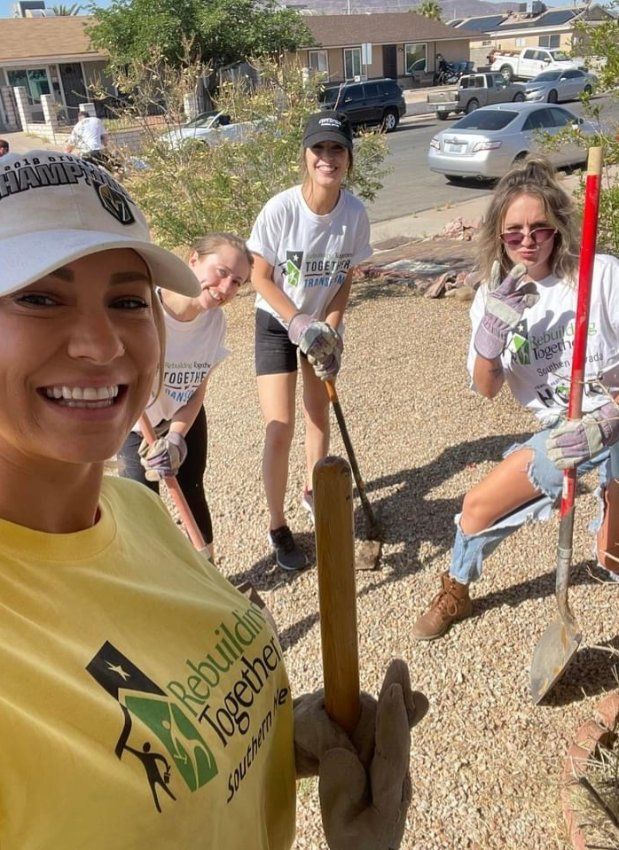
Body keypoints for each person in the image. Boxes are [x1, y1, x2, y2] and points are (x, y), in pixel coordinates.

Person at [0, 148, 419, 849]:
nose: (101, 344)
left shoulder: (138, 513)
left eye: (127, 301)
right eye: (39, 297)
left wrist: (272, 739)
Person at [412, 157, 619, 641]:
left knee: (612, 553)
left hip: (613, 418)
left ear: (558, 228)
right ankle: (456, 590)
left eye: (539, 228)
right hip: (563, 432)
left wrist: (610, 419)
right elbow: (487, 388)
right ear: (498, 236)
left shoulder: (601, 275)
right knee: (477, 507)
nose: (528, 240)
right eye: (514, 232)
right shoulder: (494, 295)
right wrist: (489, 339)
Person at [248, 111, 372, 571]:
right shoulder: (281, 209)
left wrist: (332, 329)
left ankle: (313, 491)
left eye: (337, 149)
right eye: (318, 148)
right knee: (279, 425)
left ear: (349, 158)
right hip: (277, 321)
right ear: (305, 155)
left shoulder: (354, 213)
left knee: (318, 413)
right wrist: (297, 321)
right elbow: (259, 277)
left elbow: (344, 277)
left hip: (321, 324)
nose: (327, 158)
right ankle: (278, 526)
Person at [117, 233, 252, 561]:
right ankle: (156, 580)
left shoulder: (215, 322)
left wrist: (176, 438)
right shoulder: (143, 310)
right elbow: (118, 380)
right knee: (142, 507)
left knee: (192, 490)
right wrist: (147, 437)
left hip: (182, 417)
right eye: (221, 272)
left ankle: (209, 572)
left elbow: (197, 387)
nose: (226, 288)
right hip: (134, 424)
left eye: (237, 282)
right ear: (193, 260)